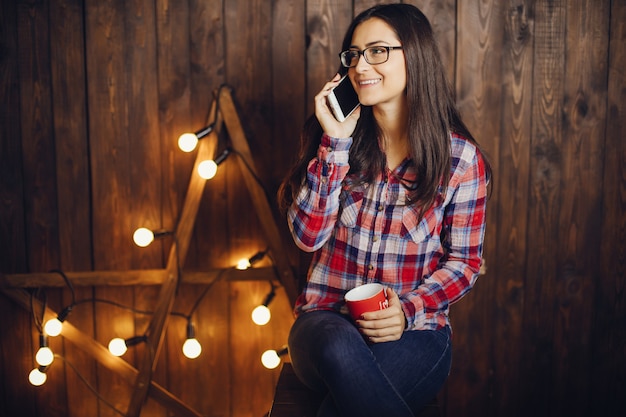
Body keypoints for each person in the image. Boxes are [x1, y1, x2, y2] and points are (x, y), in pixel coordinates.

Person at [278, 3, 491, 416]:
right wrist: (335, 143)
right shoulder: (332, 141)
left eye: (377, 51)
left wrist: (406, 311)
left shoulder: (462, 161)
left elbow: (465, 263)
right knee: (340, 346)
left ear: (415, 55)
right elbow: (308, 238)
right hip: (324, 326)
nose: (361, 65)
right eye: (353, 54)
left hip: (416, 334)